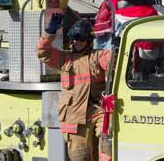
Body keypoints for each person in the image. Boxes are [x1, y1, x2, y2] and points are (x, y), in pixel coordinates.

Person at [36, 13, 112, 161]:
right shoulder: (64, 59)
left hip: (98, 110)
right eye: (76, 38)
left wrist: (116, 48)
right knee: (79, 155)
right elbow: (43, 52)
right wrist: (49, 32)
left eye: (82, 39)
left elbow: (112, 61)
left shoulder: (98, 55)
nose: (78, 42)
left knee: (107, 142)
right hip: (74, 115)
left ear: (89, 41)